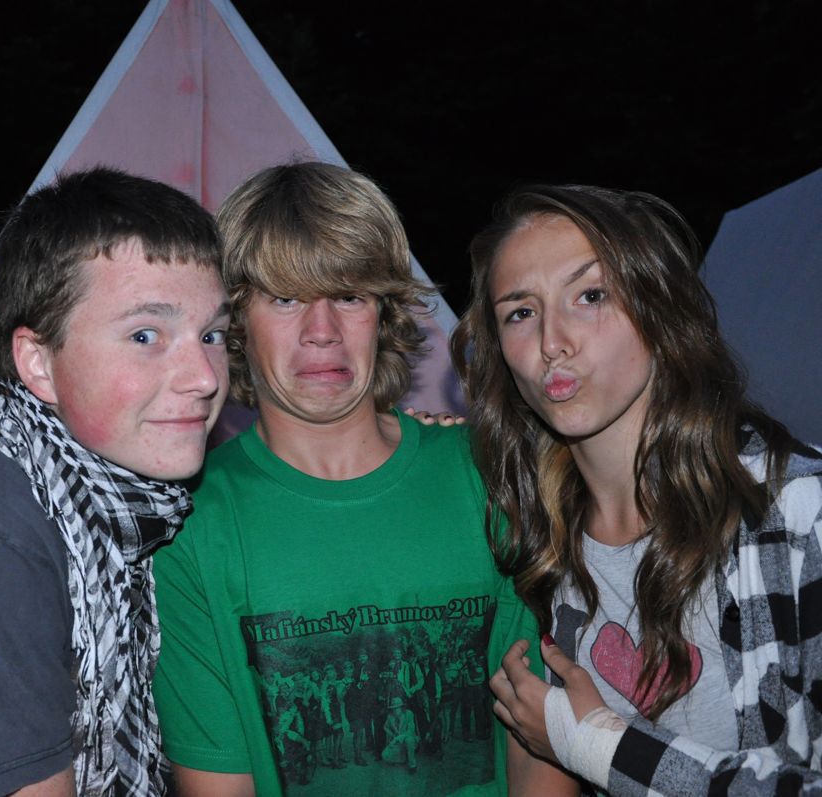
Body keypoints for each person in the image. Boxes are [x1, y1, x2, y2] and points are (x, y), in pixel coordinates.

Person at [151, 161, 540, 797]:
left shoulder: (490, 474)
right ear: (235, 321)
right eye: (286, 298)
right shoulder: (185, 525)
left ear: (383, 313)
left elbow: (541, 740)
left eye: (350, 296)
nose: (322, 332)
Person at [0, 167, 230, 797]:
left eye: (213, 334)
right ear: (38, 363)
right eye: (145, 335)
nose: (204, 376)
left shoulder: (106, 496)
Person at [451, 184, 822, 795]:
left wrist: (596, 744)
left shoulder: (795, 512)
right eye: (521, 312)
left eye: (590, 295)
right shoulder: (533, 535)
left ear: (659, 307)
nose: (552, 342)